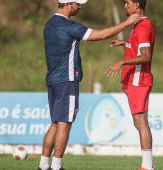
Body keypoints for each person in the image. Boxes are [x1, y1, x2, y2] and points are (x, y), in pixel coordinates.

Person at [38, 0, 140, 169]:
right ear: (68, 4)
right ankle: (56, 166)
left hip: (53, 81)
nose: (80, 7)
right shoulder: (69, 26)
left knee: (55, 123)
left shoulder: (49, 24)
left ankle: (43, 166)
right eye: (78, 4)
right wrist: (127, 23)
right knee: (65, 123)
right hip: (67, 80)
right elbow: (100, 35)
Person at [105, 0, 155, 169]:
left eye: (127, 2)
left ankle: (147, 166)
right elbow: (138, 48)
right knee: (138, 121)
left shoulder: (142, 27)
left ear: (137, 4)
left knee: (141, 121)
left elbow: (146, 56)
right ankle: (147, 165)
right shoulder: (138, 25)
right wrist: (124, 44)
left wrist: (122, 62)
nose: (125, 6)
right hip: (135, 79)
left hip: (138, 79)